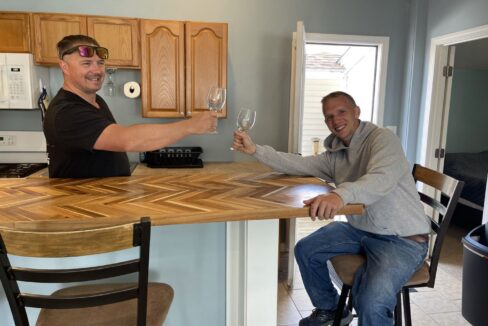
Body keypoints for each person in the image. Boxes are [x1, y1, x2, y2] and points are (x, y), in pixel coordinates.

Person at [232, 91, 430, 326]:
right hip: (362, 230)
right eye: (329, 117)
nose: (335, 120)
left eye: (341, 112)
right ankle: (330, 309)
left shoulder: (383, 139)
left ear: (356, 112)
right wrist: (256, 150)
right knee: (306, 249)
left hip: (402, 239)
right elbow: (300, 164)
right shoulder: (337, 154)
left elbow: (381, 179)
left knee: (371, 302)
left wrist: (339, 195)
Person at [43, 35, 218, 178]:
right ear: (64, 66)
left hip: (103, 204)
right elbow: (127, 140)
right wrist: (190, 126)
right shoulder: (66, 111)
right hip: (83, 211)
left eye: (100, 63)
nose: (97, 70)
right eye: (86, 63)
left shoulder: (95, 101)